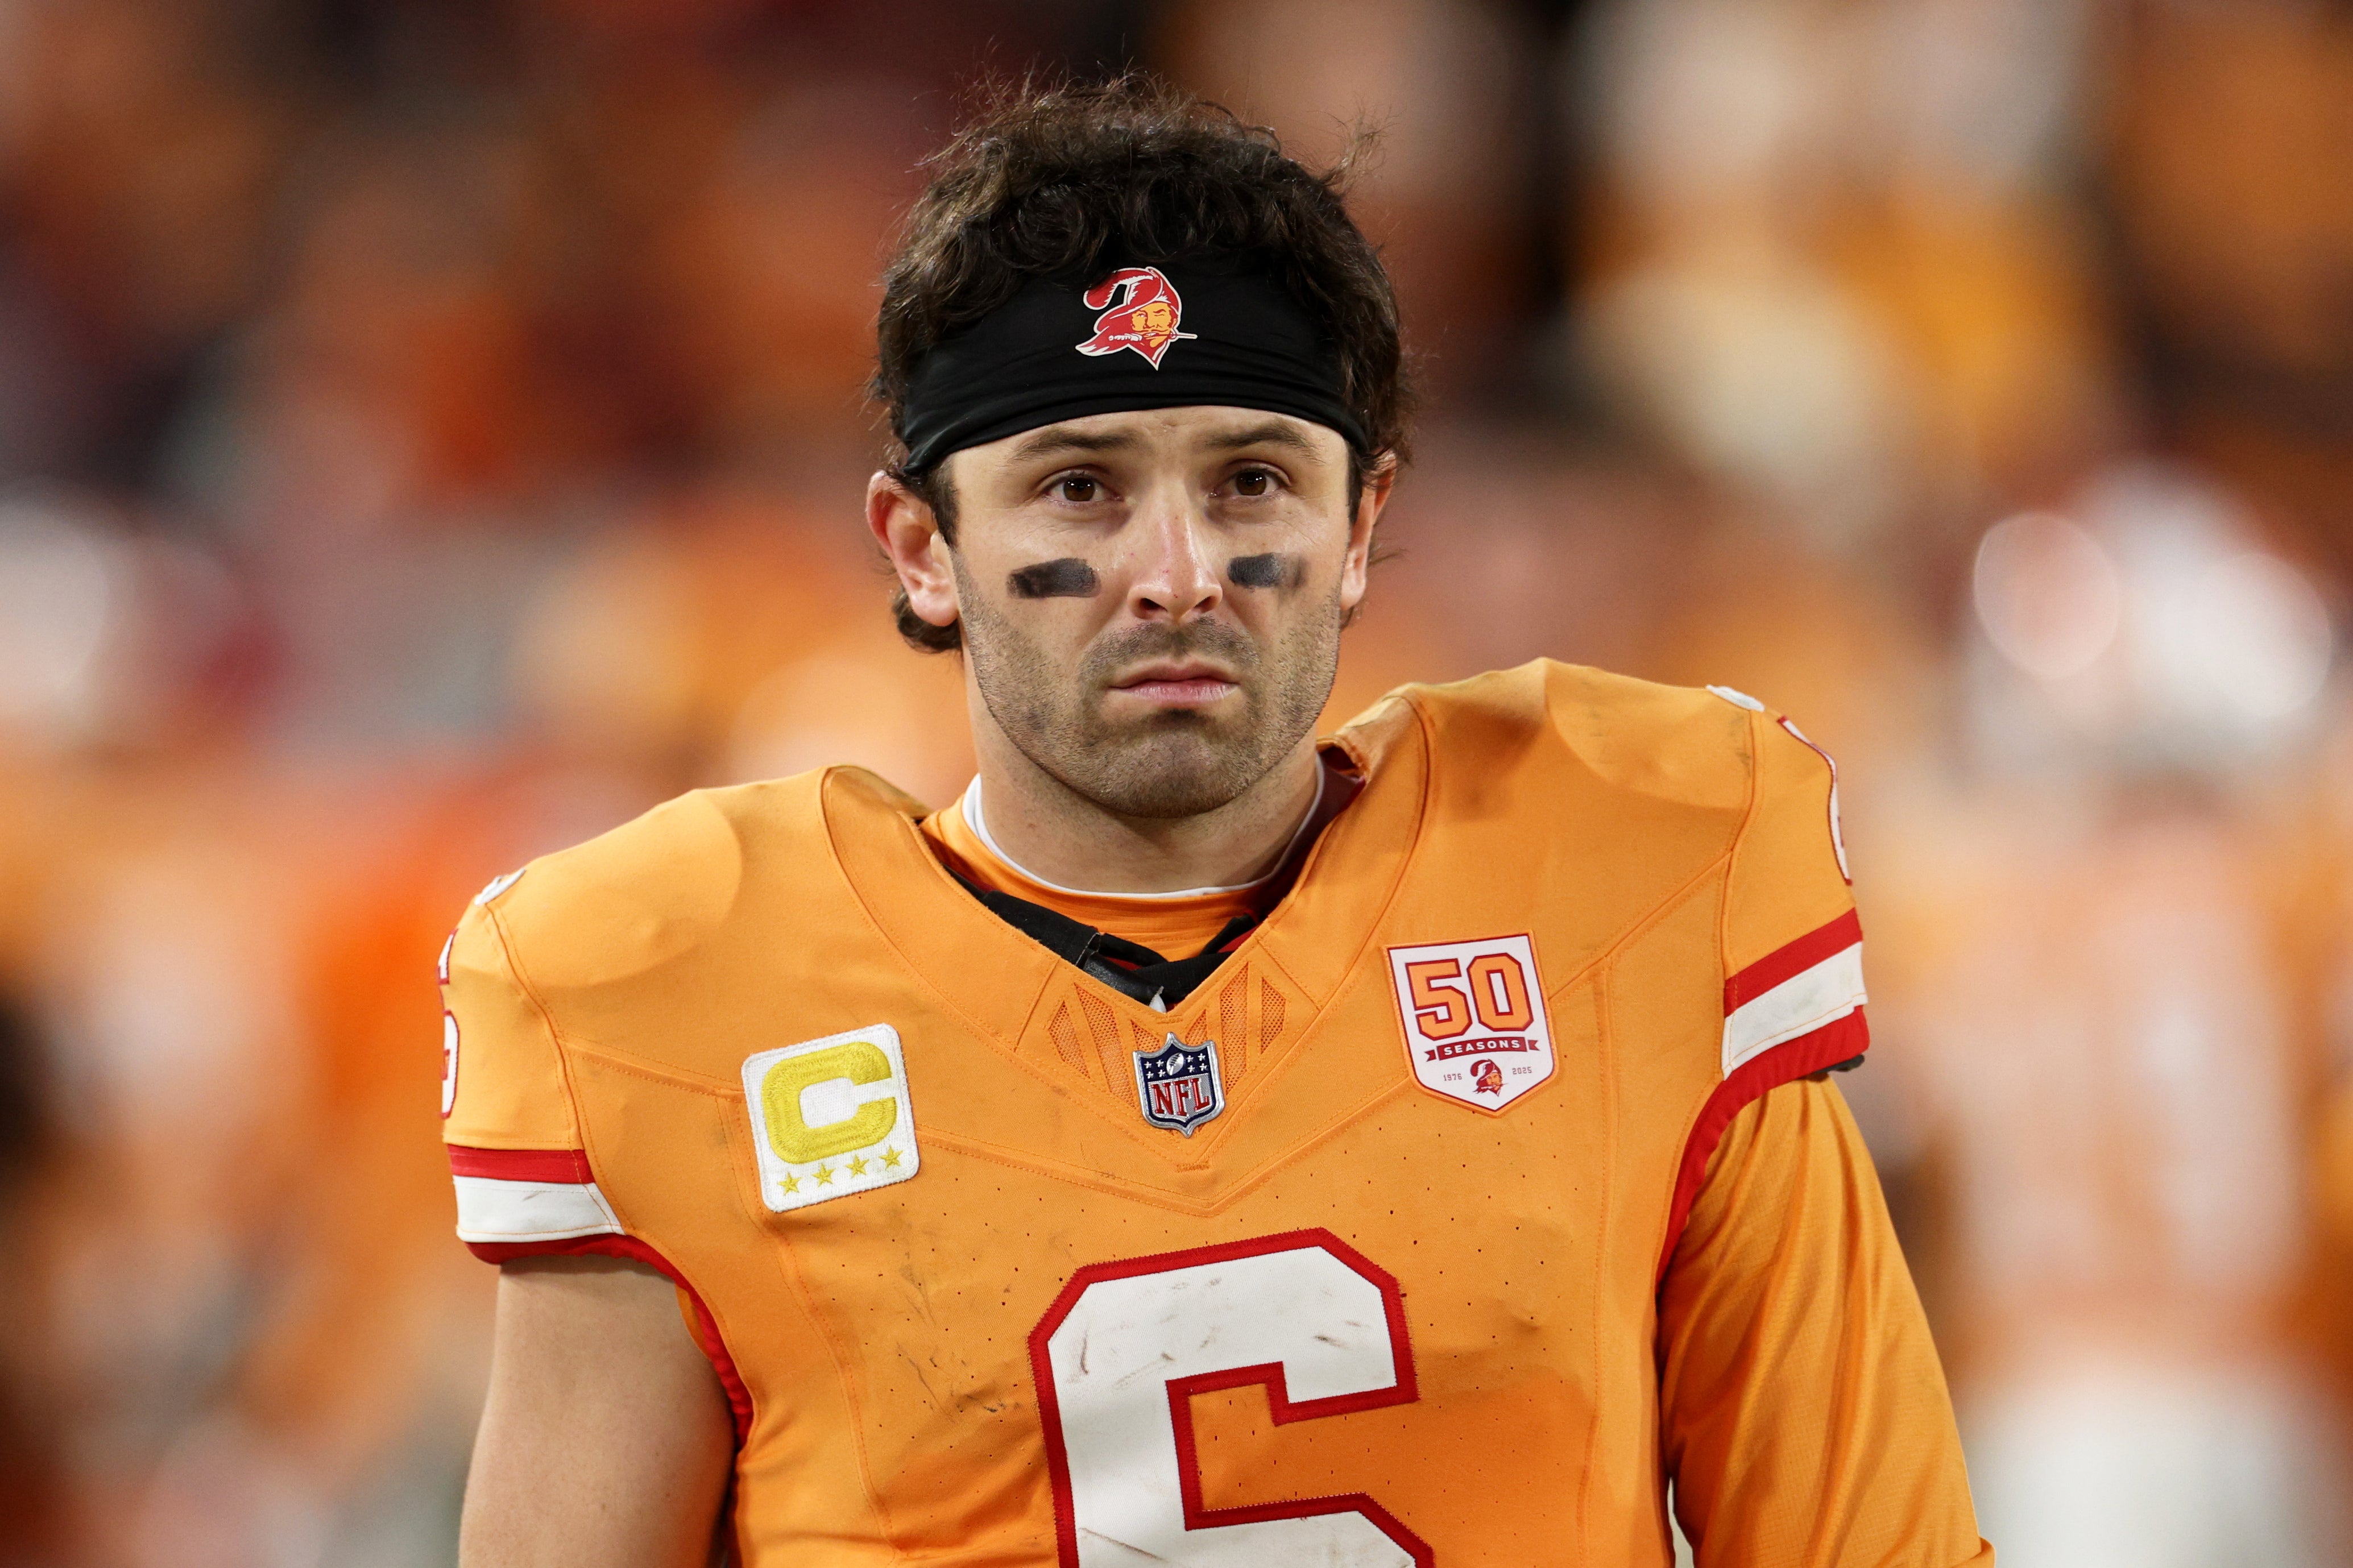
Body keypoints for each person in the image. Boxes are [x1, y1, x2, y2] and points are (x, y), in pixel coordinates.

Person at [445, 77, 1991, 1568]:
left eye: (1251, 481)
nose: (1176, 569)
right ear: (921, 549)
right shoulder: (678, 1005)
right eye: (1078, 487)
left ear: (1361, 525)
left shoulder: (1632, 887)